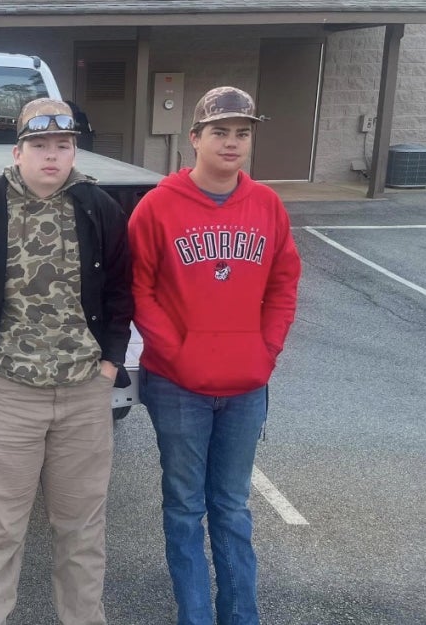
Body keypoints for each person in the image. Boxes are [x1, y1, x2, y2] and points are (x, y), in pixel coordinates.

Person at [0, 97, 133, 625]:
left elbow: (120, 286)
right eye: (40, 145)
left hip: (84, 390)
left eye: (62, 146)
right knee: (0, 529)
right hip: (3, 389)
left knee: (81, 529)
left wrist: (112, 359)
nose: (52, 156)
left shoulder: (98, 207)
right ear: (18, 150)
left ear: (73, 150)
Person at [128, 86, 301, 625]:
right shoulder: (158, 205)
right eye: (220, 132)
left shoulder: (267, 204)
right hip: (179, 387)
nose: (232, 143)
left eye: (242, 134)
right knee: (184, 509)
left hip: (247, 386)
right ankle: (195, 616)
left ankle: (240, 616)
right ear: (194, 138)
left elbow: (283, 281)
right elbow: (138, 289)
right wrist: (177, 352)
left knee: (232, 508)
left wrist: (266, 349)